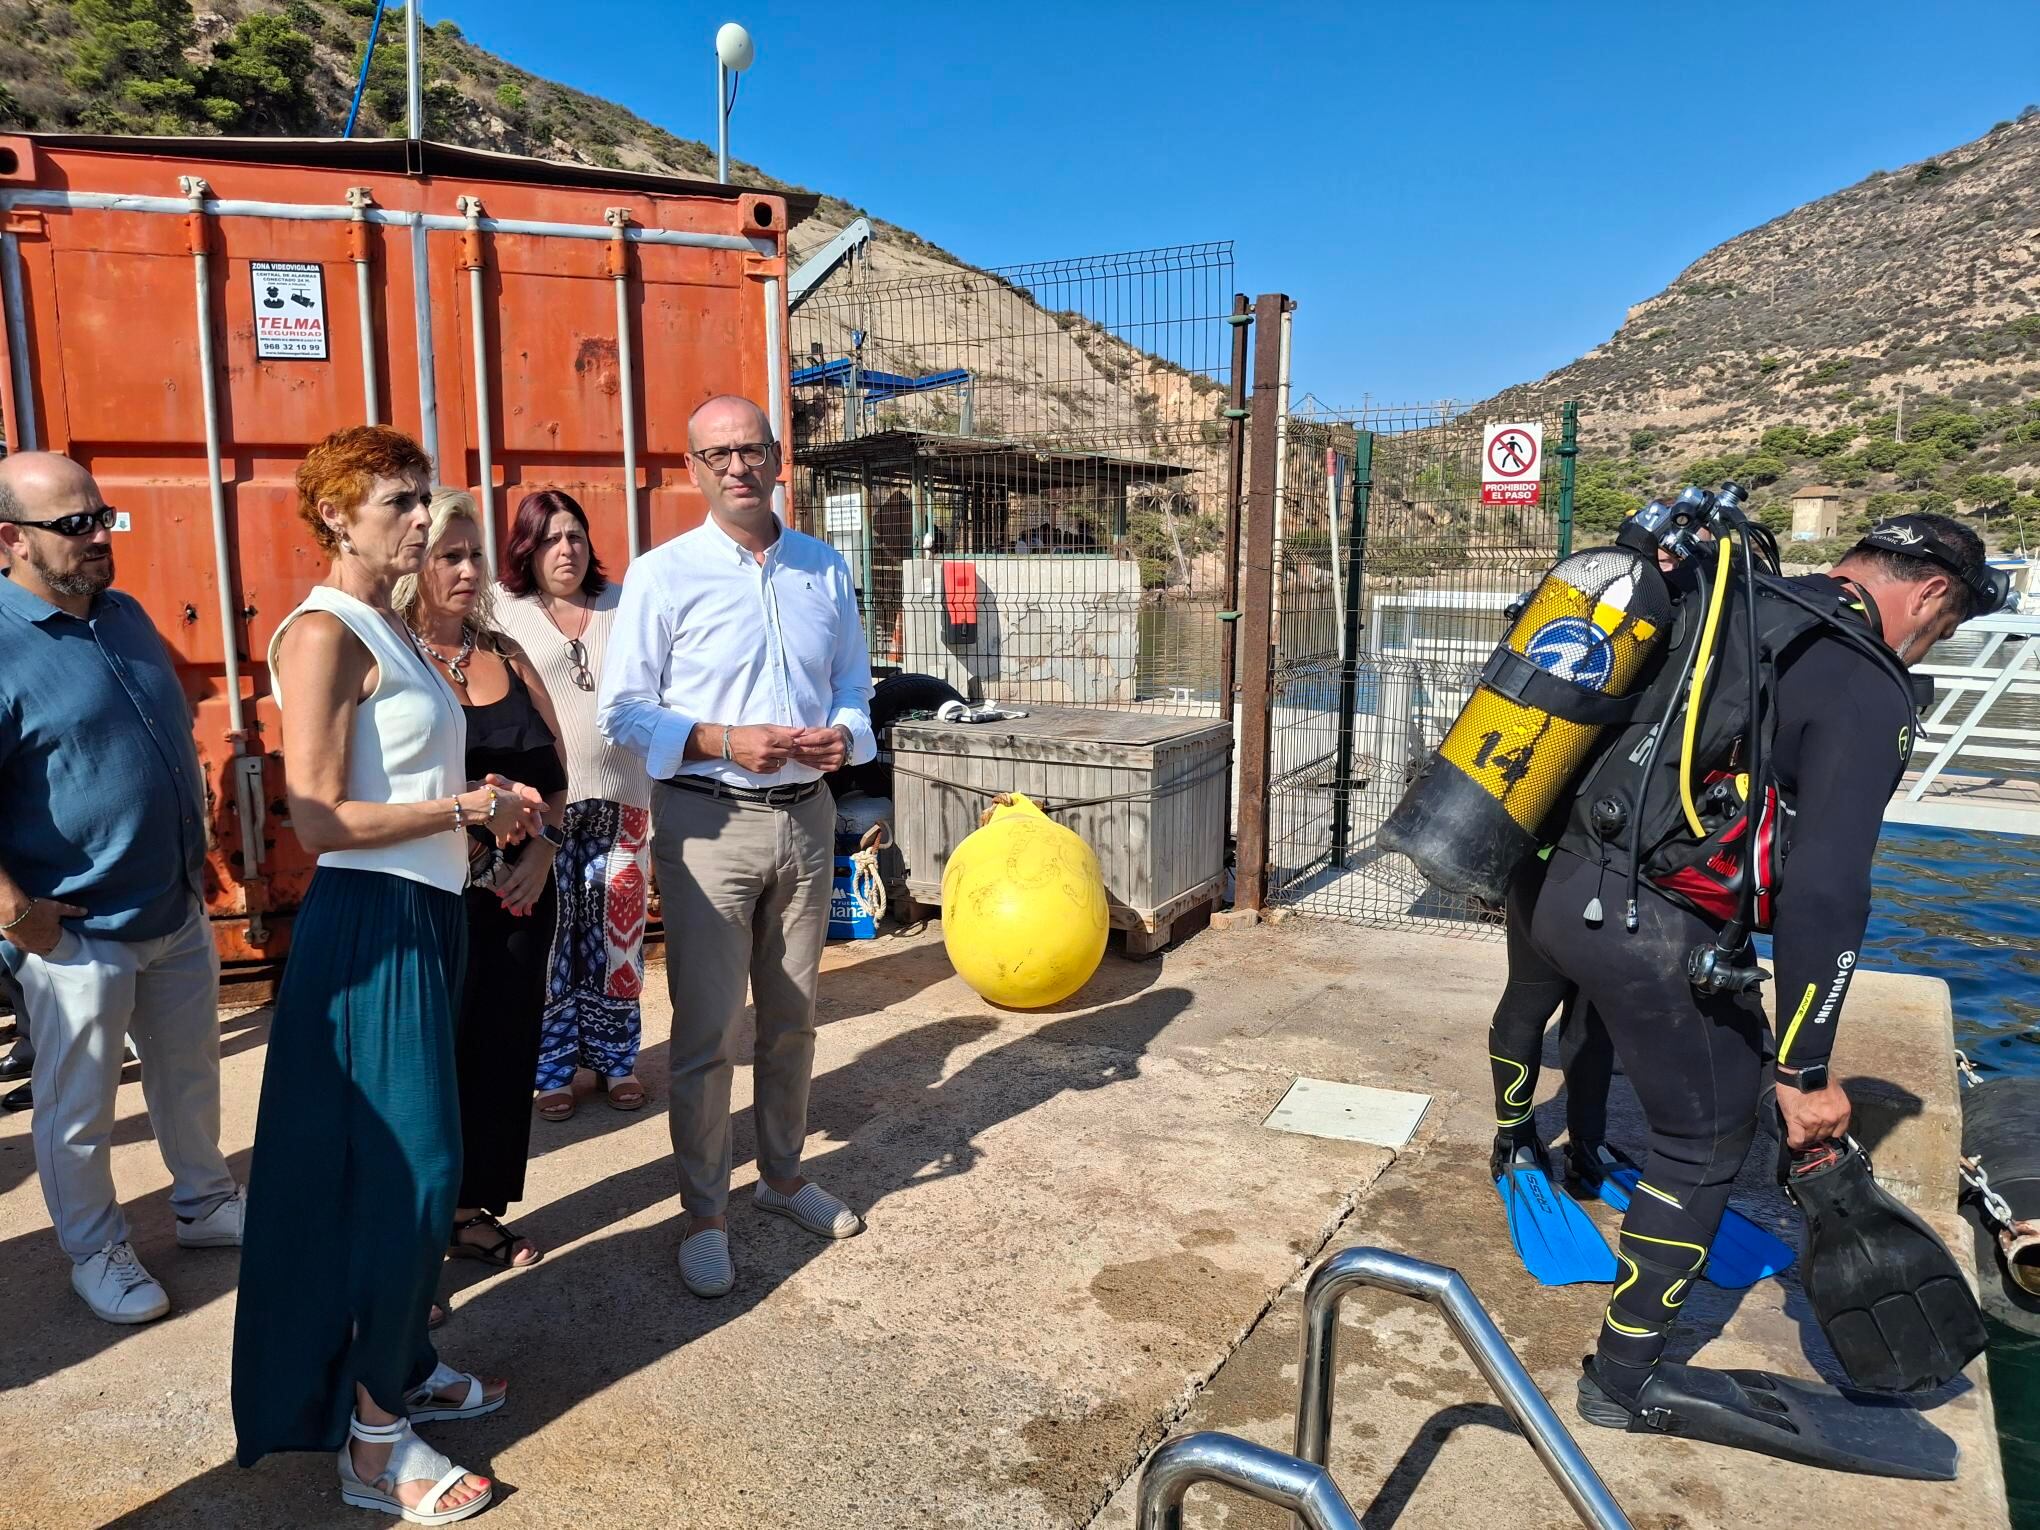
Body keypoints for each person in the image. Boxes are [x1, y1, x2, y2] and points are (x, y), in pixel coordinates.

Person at [1491, 511, 1993, 1460]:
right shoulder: (1861, 676)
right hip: (1649, 929)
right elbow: (1829, 891)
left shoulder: (1730, 611)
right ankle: (1625, 1378)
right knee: (1705, 1134)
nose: (1934, 641)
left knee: (1649, 1049)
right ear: (1930, 593)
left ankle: (1559, 1153)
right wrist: (1807, 1072)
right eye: (1948, 625)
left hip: (1556, 887)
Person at [231, 427, 543, 1524]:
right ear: (334, 516)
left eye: (423, 499)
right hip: (369, 922)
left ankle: (402, 1365)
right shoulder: (323, 632)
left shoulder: (392, 629)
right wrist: (467, 807)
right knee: (408, 1182)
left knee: (427, 1163)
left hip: (430, 913)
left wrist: (489, 805)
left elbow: (403, 774)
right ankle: (372, 1448)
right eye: (399, 503)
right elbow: (317, 819)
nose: (423, 519)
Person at [599, 394, 876, 1299]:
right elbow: (624, 711)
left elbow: (852, 689)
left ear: (777, 457)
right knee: (709, 1031)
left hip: (806, 814)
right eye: (715, 454)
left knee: (793, 1018)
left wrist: (845, 736)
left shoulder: (822, 568)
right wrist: (721, 739)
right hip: (707, 820)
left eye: (750, 449)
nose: (736, 467)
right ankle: (705, 1212)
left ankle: (783, 1177)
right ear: (693, 469)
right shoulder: (663, 574)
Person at [0, 451, 243, 1324]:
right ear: (10, 542)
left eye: (103, 517)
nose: (99, 535)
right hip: (78, 931)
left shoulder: (126, 615)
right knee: (79, 1110)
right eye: (74, 526)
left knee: (190, 1078)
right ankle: (95, 1249)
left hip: (173, 909)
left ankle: (205, 1204)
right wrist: (21, 918)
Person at [397, 489, 569, 1271]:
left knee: (502, 1053)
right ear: (412, 563)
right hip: (431, 898)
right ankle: (412, 1219)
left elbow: (557, 773)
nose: (469, 570)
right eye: (449, 556)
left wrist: (545, 851)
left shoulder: (505, 650)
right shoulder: (392, 658)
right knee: (429, 1060)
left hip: (522, 896)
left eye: (474, 554)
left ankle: (471, 1211)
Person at [493, 489, 653, 1121]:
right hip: (548, 810)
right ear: (527, 551)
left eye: (577, 537)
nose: (567, 549)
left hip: (624, 806)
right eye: (552, 539)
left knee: (619, 940)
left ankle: (616, 1063)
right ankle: (552, 1069)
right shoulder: (504, 610)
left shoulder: (623, 606)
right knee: (553, 940)